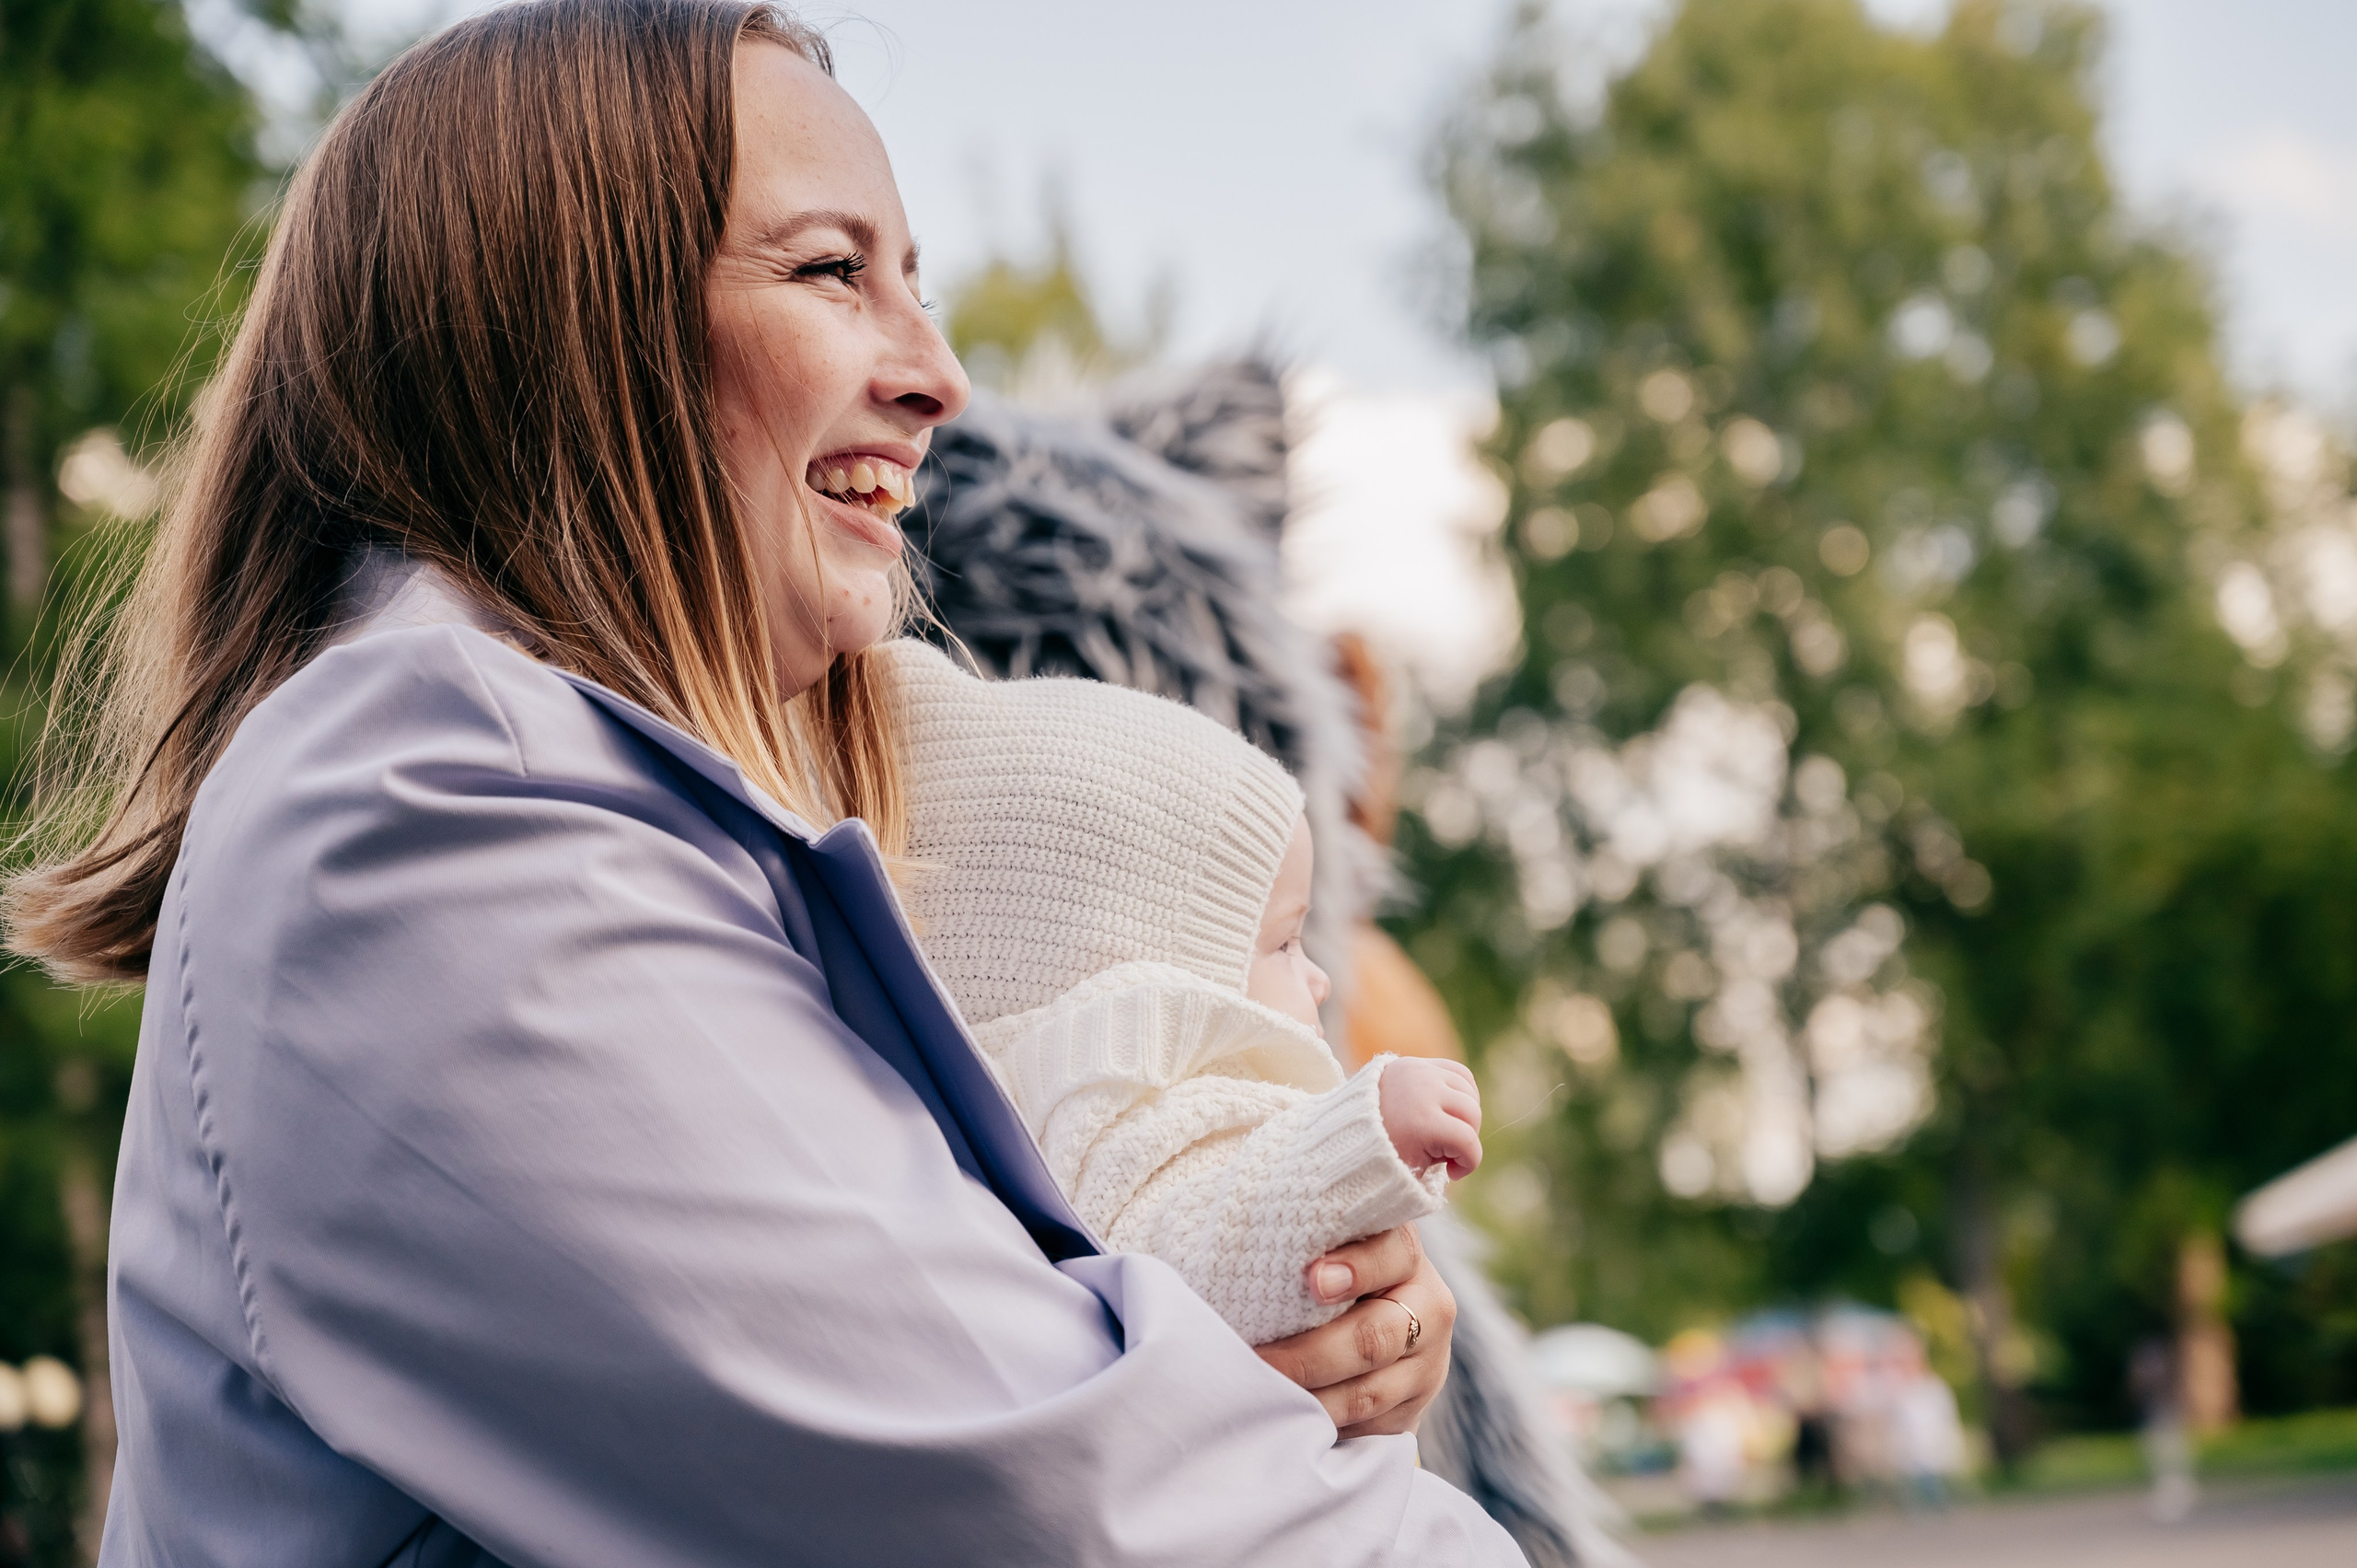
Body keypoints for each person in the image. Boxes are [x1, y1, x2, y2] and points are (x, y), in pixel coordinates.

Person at [1, 4, 1522, 1562]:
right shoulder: (418, 815)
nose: (941, 378)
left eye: (914, 282)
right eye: (830, 272)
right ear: (573, 326)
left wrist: (1270, 1273)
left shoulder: (642, 802)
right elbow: (1040, 1497)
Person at [885, 640, 1481, 1344]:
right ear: (1160, 990)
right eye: (1285, 942)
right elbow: (1206, 1254)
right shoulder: (1108, 1126)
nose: (1320, 977)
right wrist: (1363, 1138)